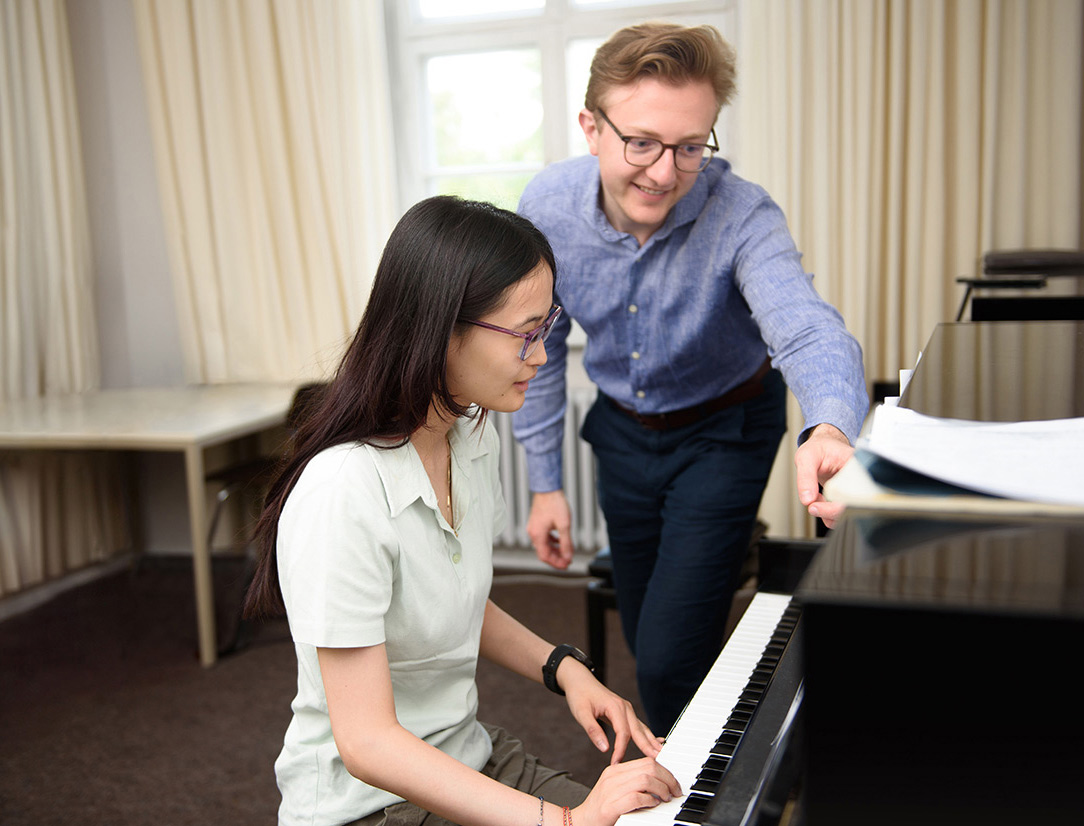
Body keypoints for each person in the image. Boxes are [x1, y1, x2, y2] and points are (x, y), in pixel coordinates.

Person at [243, 196, 681, 826]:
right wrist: (565, 822)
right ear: (442, 331)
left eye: (547, 327)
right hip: (370, 805)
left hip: (466, 756)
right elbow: (367, 744)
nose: (541, 355)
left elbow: (451, 602)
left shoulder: (470, 436)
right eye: (525, 334)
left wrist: (566, 671)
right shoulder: (342, 489)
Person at [513, 22, 869, 735]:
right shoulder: (547, 208)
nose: (665, 171)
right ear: (592, 128)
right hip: (621, 432)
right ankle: (699, 754)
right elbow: (536, 346)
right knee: (651, 638)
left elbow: (805, 325)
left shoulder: (743, 214)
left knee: (669, 658)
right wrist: (545, 482)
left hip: (724, 431)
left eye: (690, 146)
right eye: (640, 142)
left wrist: (829, 422)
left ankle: (701, 792)